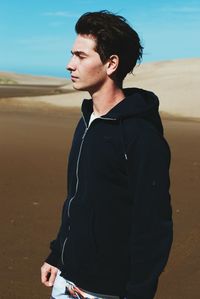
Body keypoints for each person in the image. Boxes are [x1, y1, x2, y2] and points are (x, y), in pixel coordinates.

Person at [41, 10, 173, 299]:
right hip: (66, 282)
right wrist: (56, 254)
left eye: (81, 56)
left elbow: (153, 226)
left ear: (111, 63)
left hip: (105, 292)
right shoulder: (87, 121)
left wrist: (139, 293)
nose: (69, 64)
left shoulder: (141, 136)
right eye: (71, 55)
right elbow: (77, 198)